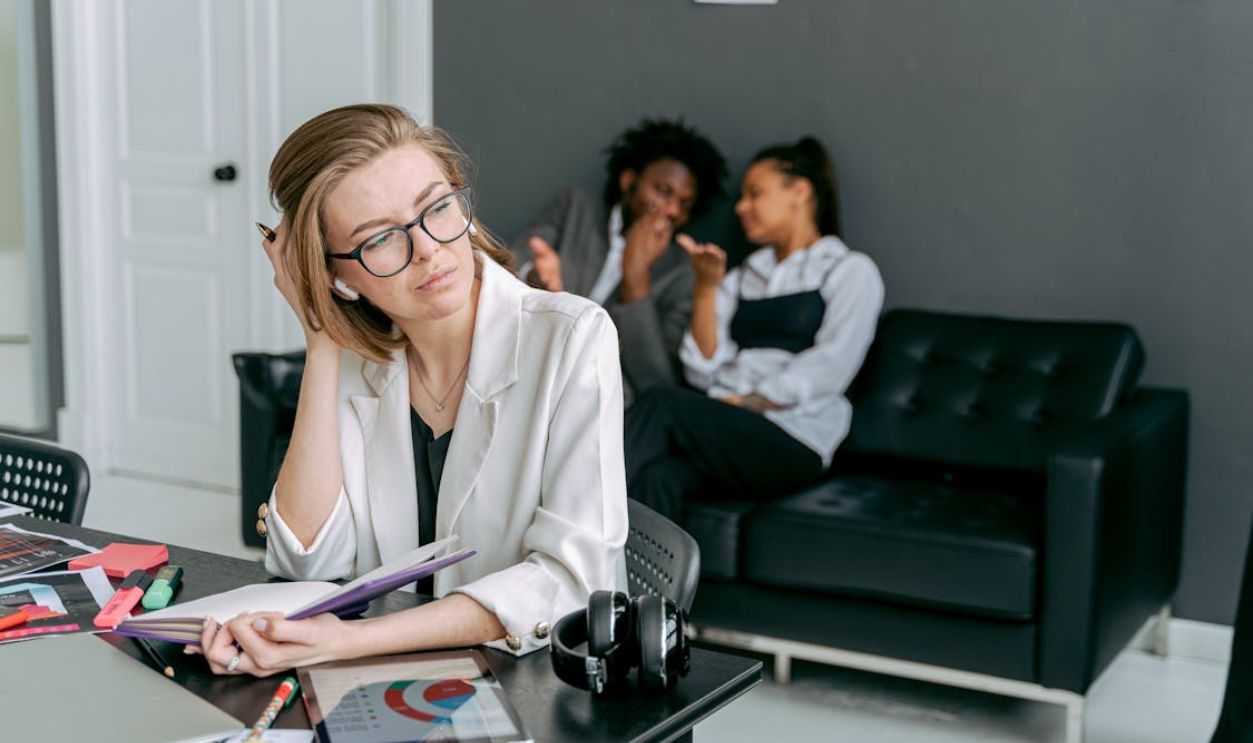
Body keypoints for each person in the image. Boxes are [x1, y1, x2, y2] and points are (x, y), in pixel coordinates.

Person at [192, 104, 628, 677]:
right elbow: (307, 561)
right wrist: (320, 339)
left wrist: (352, 642)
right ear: (335, 274)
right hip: (391, 688)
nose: (427, 249)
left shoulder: (571, 336)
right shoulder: (355, 363)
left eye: (437, 208)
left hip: (541, 685)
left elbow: (569, 582)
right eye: (380, 240)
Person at [624, 136, 884, 520]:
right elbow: (702, 369)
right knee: (660, 478)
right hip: (730, 431)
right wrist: (706, 290)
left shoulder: (849, 271)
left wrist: (746, 402)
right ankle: (619, 580)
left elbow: (832, 366)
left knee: (661, 404)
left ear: (799, 192)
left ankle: (568, 513)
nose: (741, 208)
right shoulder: (745, 276)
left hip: (794, 441)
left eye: (754, 194)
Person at [511, 118, 727, 399]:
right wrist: (536, 279)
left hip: (605, 401)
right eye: (663, 191)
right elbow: (512, 264)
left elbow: (657, 383)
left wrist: (636, 278)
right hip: (531, 360)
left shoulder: (681, 273)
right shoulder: (576, 208)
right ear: (629, 181)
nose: (672, 210)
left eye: (684, 204)